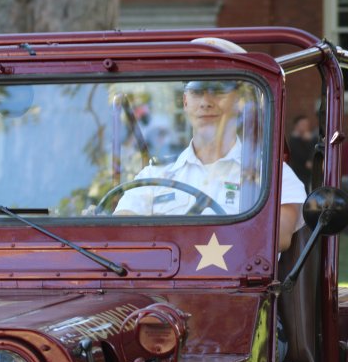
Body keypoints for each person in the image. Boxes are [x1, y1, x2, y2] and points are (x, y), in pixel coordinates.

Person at [114, 80, 306, 253]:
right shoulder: (155, 174)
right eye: (197, 93)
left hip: (241, 288)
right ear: (185, 101)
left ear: (238, 101)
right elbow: (121, 230)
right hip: (160, 290)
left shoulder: (272, 173)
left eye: (217, 91)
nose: (206, 102)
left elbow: (279, 237)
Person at [287, 113, 319, 191]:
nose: (306, 127)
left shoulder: (306, 139)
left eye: (307, 124)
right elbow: (305, 160)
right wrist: (312, 141)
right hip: (299, 176)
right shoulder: (294, 141)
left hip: (307, 176)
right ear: (296, 126)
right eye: (303, 124)